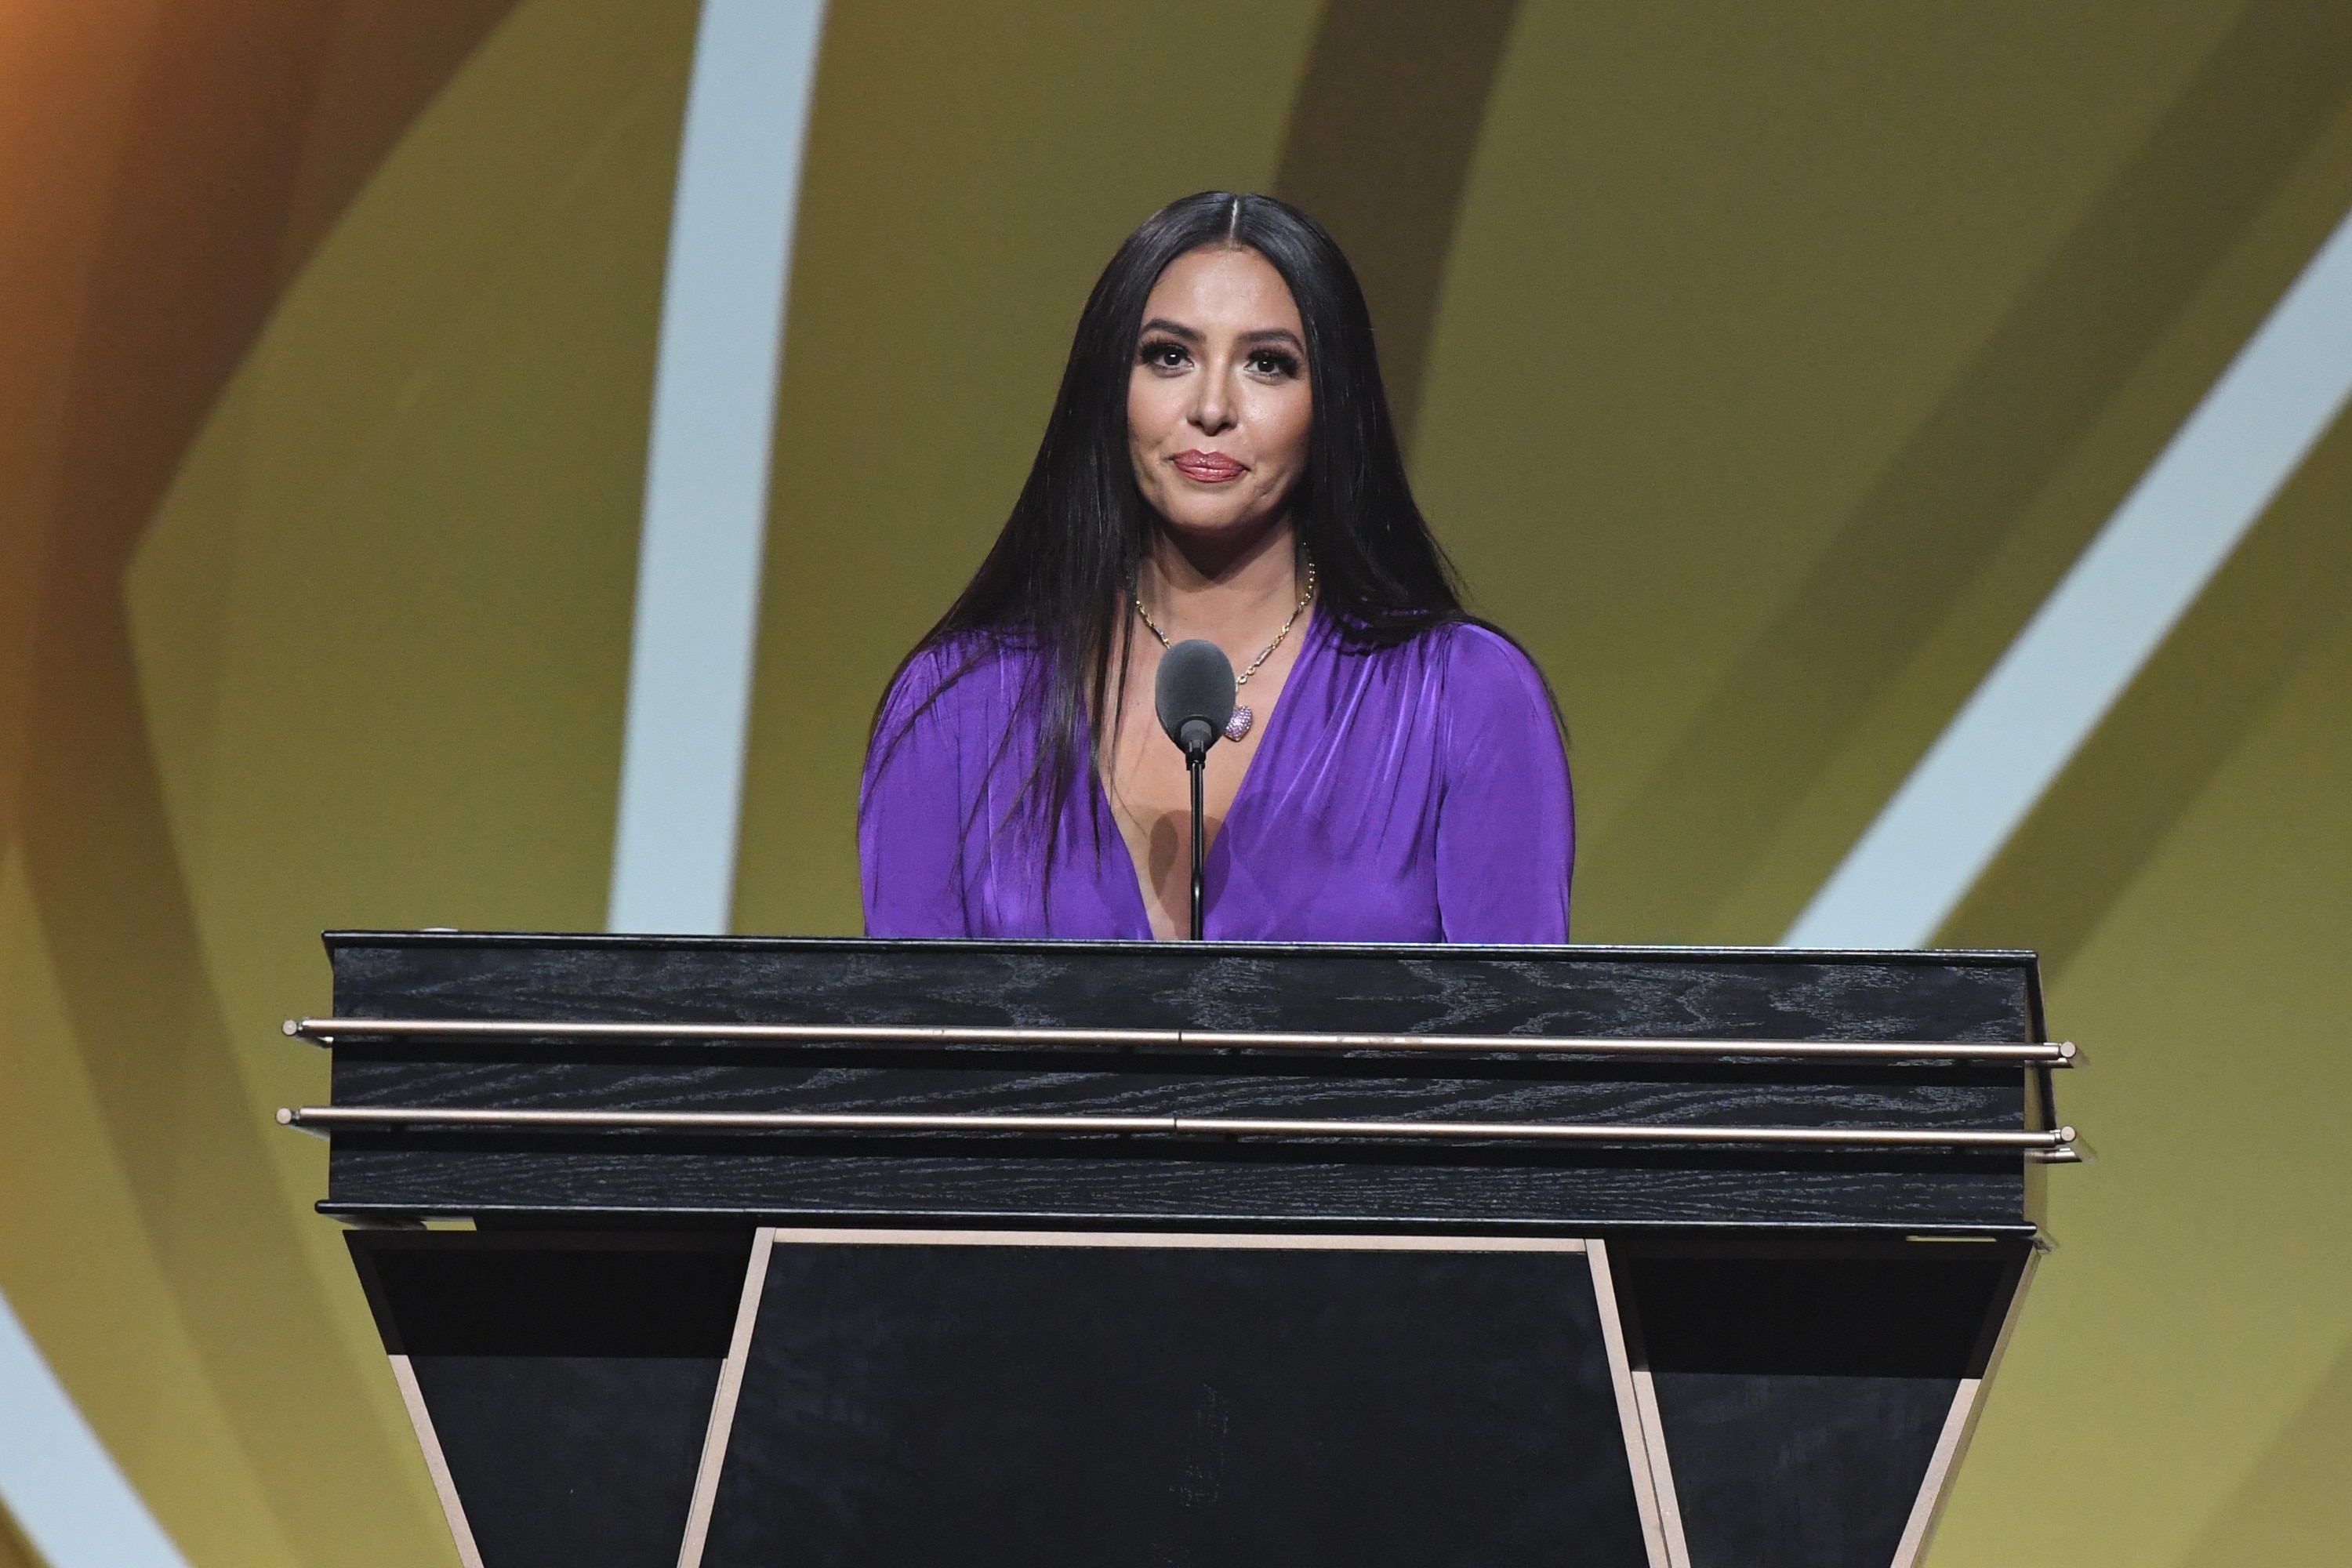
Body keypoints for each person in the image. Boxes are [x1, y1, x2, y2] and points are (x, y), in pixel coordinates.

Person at [858, 191, 1572, 942]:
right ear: (1110, 387)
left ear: (1332, 404)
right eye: (1170, 356)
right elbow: (911, 1043)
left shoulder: (1466, 700)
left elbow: (1519, 1042)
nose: (1210, 407)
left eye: (1268, 364)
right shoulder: (955, 710)